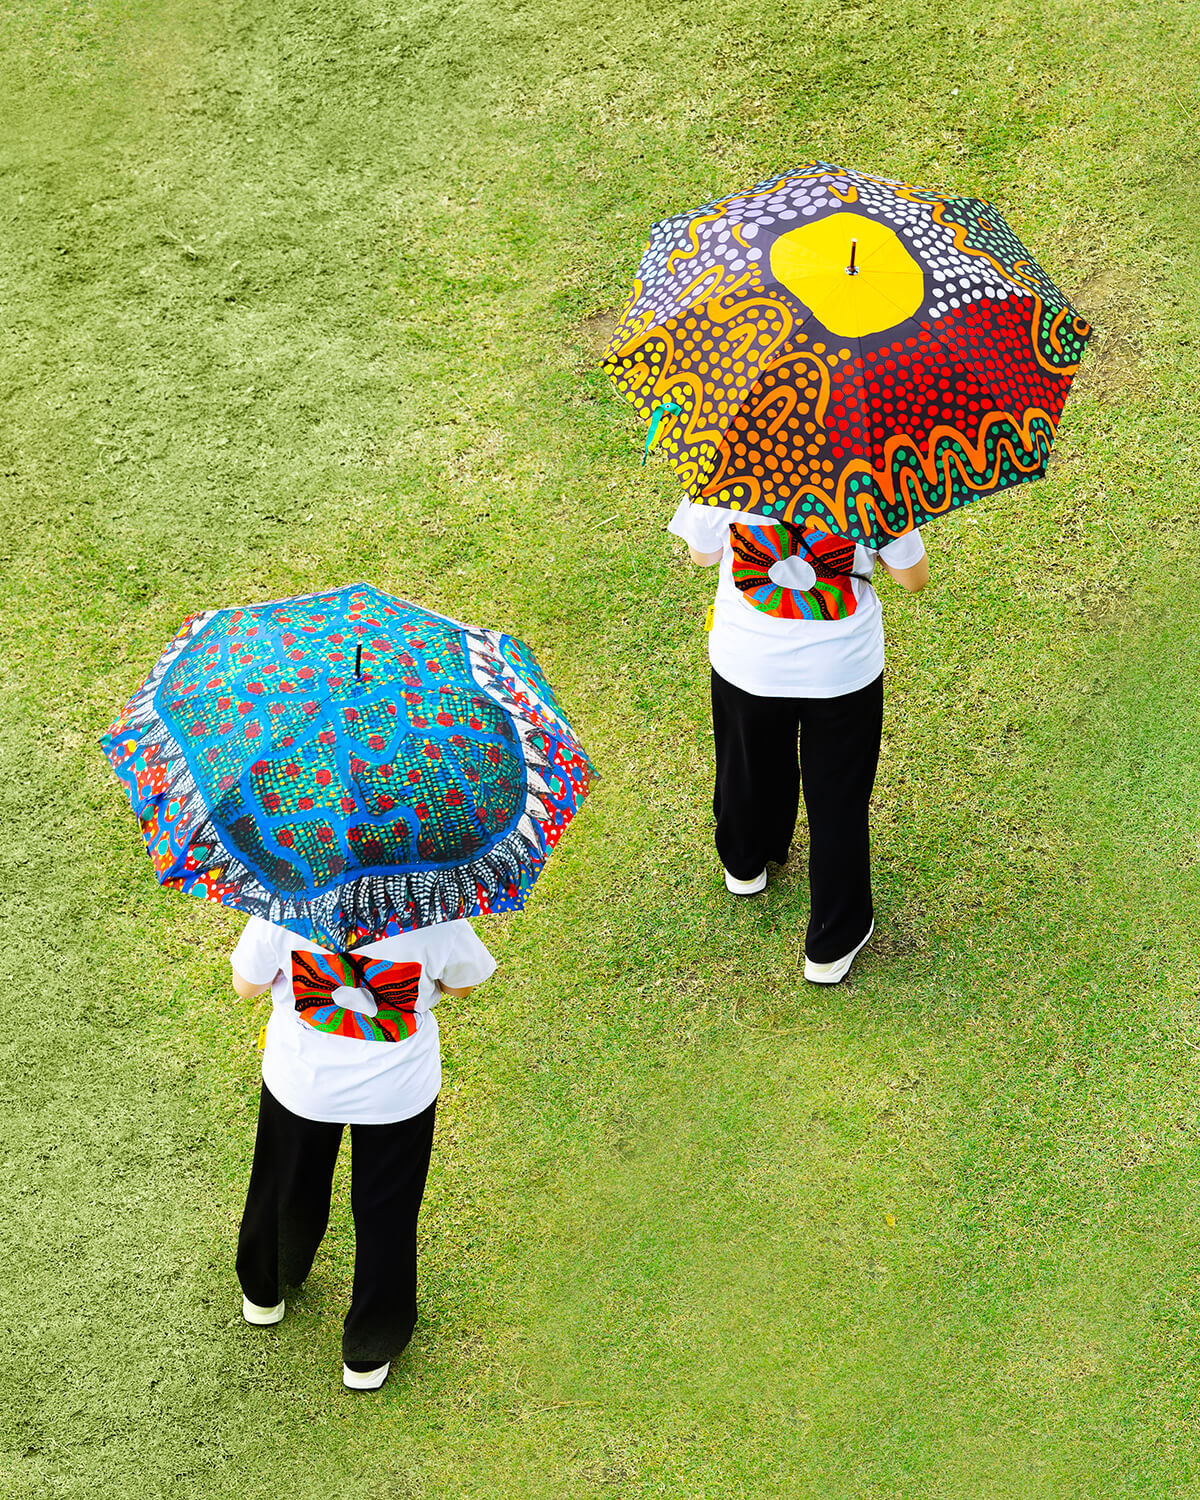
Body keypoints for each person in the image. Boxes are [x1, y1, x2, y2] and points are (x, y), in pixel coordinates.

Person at [668, 498, 929, 985]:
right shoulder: (877, 482)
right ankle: (832, 941)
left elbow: (702, 556)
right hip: (842, 670)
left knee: (747, 763)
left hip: (747, 659)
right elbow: (913, 579)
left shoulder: (724, 469)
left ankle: (745, 863)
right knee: (838, 801)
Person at [230, 914, 496, 1389]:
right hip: (396, 1093)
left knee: (284, 1183)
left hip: (302, 1083)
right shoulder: (435, 916)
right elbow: (462, 987)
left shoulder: (285, 907)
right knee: (388, 1213)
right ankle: (369, 1353)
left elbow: (245, 986)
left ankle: (264, 1292)